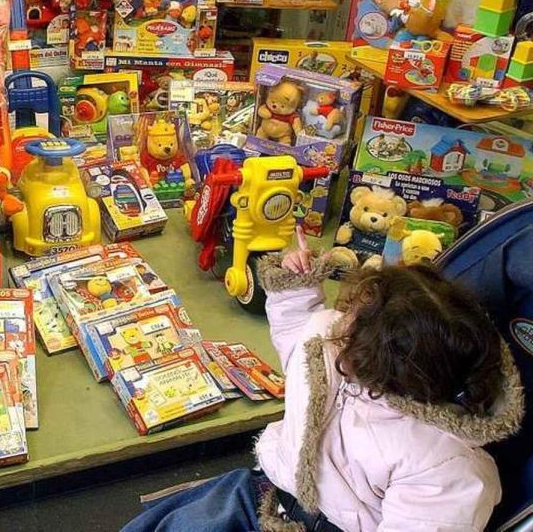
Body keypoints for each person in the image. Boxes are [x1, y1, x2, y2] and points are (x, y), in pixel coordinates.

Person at [123, 227, 524, 532]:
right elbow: (300, 330)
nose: (339, 316)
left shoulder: (446, 464)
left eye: (351, 319)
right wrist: (295, 284)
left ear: (370, 362)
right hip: (267, 491)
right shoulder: (331, 344)